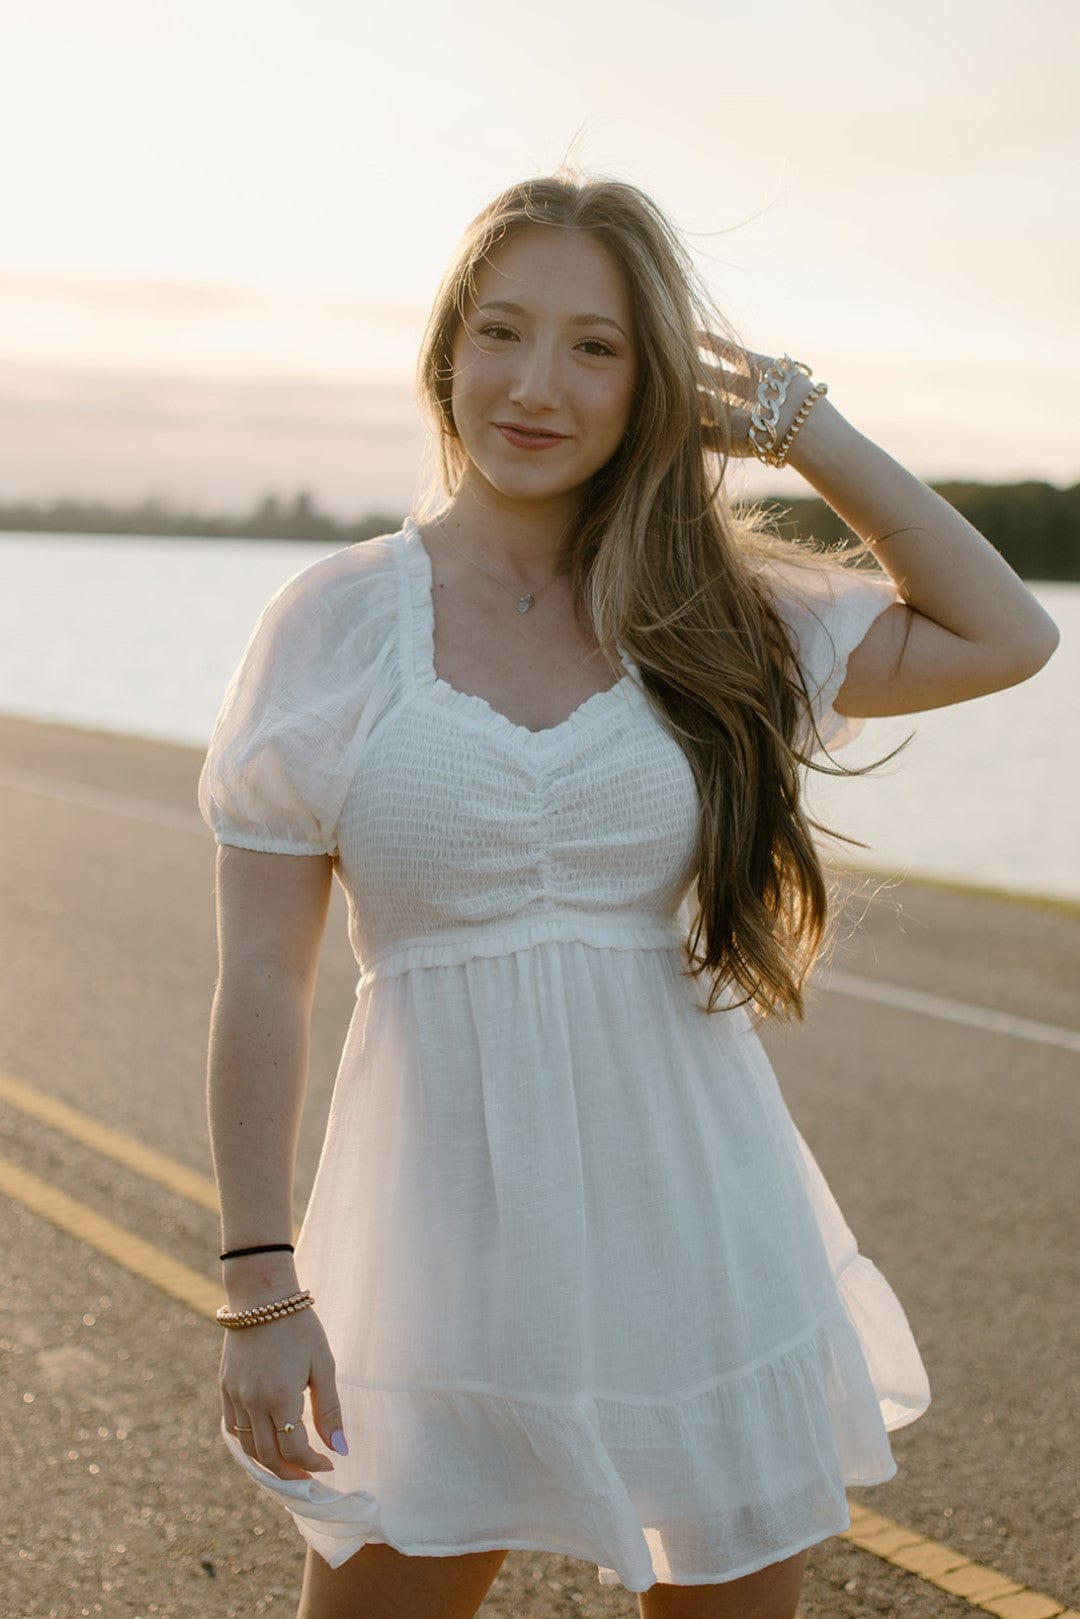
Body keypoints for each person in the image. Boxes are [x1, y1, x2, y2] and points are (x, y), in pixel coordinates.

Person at [198, 171, 1059, 1619]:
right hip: (434, 1241)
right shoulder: (335, 622)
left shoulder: (725, 616)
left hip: (696, 1226)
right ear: (445, 356)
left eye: (596, 346)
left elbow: (1008, 629)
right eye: (501, 333)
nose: (536, 385)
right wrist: (262, 1287)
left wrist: (801, 424)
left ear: (656, 384)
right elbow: (264, 980)